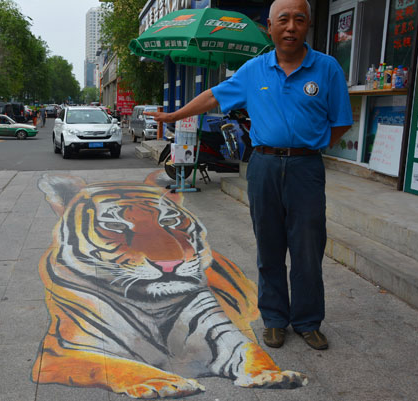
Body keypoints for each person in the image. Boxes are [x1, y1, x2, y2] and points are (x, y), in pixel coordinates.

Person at [145, 0, 352, 351]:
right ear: (269, 28)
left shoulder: (327, 68)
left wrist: (307, 147)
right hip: (264, 166)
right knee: (269, 246)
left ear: (308, 25)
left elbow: (341, 121)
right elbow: (213, 96)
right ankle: (274, 319)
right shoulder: (253, 70)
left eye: (298, 20)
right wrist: (175, 115)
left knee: (307, 248)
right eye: (282, 20)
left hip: (306, 169)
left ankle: (307, 321)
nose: (290, 27)